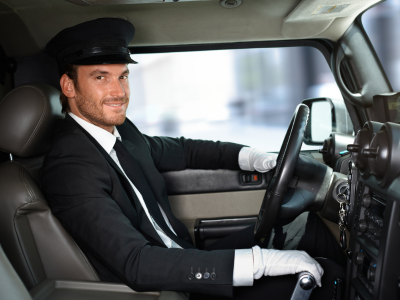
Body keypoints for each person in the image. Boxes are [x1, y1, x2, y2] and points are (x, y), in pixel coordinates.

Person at [41, 18, 345, 300]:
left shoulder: (119, 131)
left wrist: (250, 156)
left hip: (182, 254)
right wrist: (258, 263)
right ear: (69, 86)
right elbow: (137, 263)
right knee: (326, 280)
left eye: (123, 76)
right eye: (100, 77)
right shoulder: (69, 167)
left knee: (306, 225)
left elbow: (184, 150)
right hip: (169, 285)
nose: (118, 91)